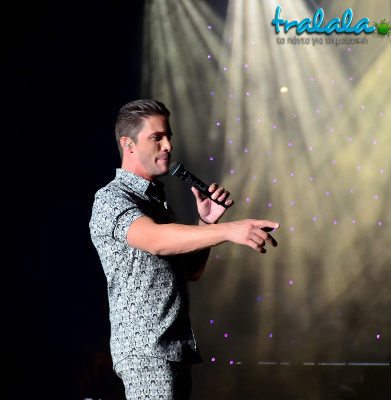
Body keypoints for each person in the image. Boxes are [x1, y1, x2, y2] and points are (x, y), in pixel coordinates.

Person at [89, 99, 279, 399]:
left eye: (168, 137)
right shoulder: (112, 199)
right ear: (128, 144)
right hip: (146, 354)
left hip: (173, 351)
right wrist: (229, 230)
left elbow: (191, 271)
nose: (168, 146)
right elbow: (155, 240)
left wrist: (207, 222)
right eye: (157, 137)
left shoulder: (156, 203)